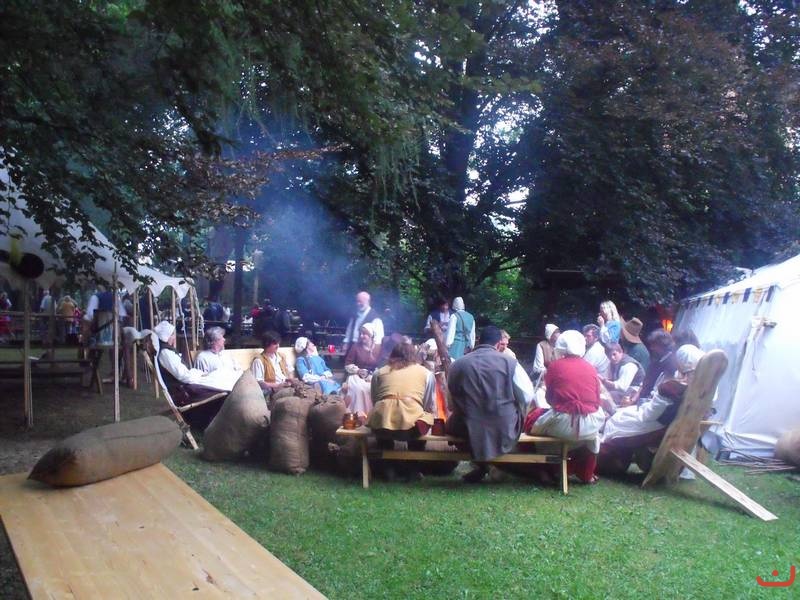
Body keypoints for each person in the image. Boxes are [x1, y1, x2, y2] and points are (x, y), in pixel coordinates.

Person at [447, 325, 534, 483]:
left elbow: (451, 404)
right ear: (499, 343)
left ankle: (485, 466)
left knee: (453, 426)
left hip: (466, 428)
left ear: (478, 341)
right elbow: (527, 396)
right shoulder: (511, 363)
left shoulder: (457, 364)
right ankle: (491, 466)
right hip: (504, 428)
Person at [599, 345, 705, 474]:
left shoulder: (671, 387)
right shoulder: (701, 388)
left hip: (656, 427)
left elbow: (649, 415)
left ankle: (609, 459)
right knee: (622, 414)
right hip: (671, 425)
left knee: (617, 420)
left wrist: (639, 409)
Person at [525, 330, 605, 484]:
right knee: (592, 438)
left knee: (530, 422)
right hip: (590, 423)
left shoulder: (555, 366)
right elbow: (596, 399)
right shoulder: (590, 368)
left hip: (563, 423)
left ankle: (541, 469)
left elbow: (549, 399)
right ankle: (585, 473)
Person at [367, 341, 436, 479]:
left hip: (382, 425)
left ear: (392, 355)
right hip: (411, 428)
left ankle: (388, 469)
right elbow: (427, 403)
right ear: (413, 356)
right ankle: (413, 470)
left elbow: (375, 400)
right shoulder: (426, 373)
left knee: (381, 417)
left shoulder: (378, 373)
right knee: (424, 418)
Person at [153, 320, 238, 407]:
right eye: (172, 335)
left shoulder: (167, 352)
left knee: (222, 379)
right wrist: (200, 376)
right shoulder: (165, 353)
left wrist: (200, 374)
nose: (174, 337)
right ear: (167, 337)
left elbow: (183, 374)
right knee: (220, 383)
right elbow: (183, 376)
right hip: (184, 393)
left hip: (187, 385)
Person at [343, 323, 382, 417]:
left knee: (372, 388)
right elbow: (348, 364)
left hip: (373, 376)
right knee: (359, 388)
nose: (361, 336)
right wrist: (358, 371)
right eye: (360, 333)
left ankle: (371, 415)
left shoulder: (379, 348)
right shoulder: (355, 347)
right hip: (356, 375)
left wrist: (373, 374)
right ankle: (356, 415)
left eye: (364, 334)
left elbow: (381, 365)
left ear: (371, 335)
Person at [599, 342, 645, 409]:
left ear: (621, 352)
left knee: (604, 396)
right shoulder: (613, 363)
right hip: (622, 390)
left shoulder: (628, 365)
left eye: (614, 354)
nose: (612, 358)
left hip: (634, 392)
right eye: (609, 356)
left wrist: (604, 381)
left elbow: (622, 387)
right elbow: (610, 378)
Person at [639, 329, 678, 399]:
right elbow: (646, 381)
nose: (652, 348)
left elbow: (663, 388)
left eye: (654, 345)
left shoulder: (671, 364)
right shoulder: (656, 359)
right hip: (643, 397)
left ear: (663, 345)